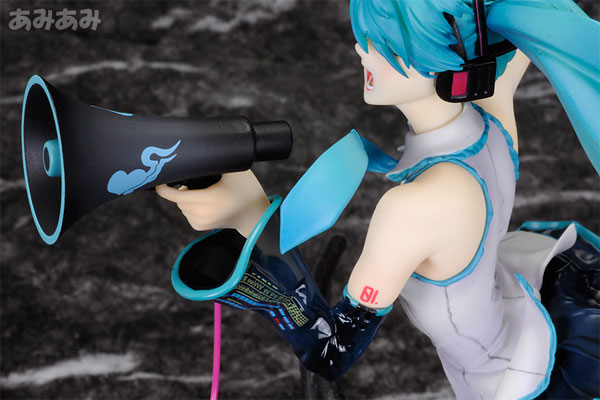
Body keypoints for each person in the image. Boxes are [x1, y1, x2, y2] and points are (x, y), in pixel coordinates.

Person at [156, 1, 599, 398]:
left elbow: (330, 350)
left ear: (443, 59)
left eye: (384, 45)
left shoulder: (413, 208)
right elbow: (508, 45)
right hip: (524, 317)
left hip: (506, 378)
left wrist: (253, 219)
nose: (360, 51)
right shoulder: (491, 119)